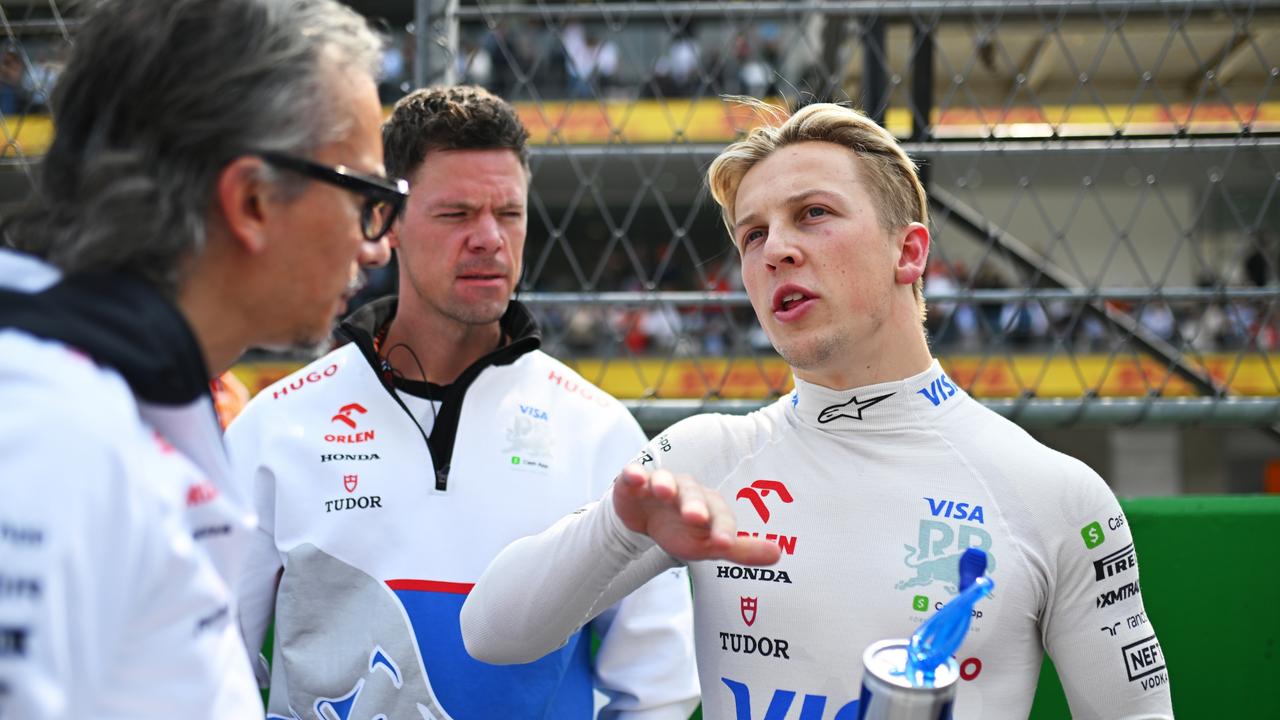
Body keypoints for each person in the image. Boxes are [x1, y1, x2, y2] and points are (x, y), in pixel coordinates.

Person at [461, 101, 1174, 720]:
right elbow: (492, 634)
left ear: (910, 250)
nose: (777, 250)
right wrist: (618, 527)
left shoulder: (1055, 493)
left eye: (813, 215)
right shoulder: (707, 458)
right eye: (753, 235)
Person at [225, 85, 698, 719]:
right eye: (456, 214)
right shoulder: (278, 424)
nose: (489, 239)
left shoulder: (598, 432)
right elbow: (202, 659)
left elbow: (658, 692)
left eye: (509, 213)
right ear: (387, 220)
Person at [0, 0, 402, 716]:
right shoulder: (53, 432)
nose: (376, 245)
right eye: (366, 197)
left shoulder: (114, 399)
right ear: (251, 201)